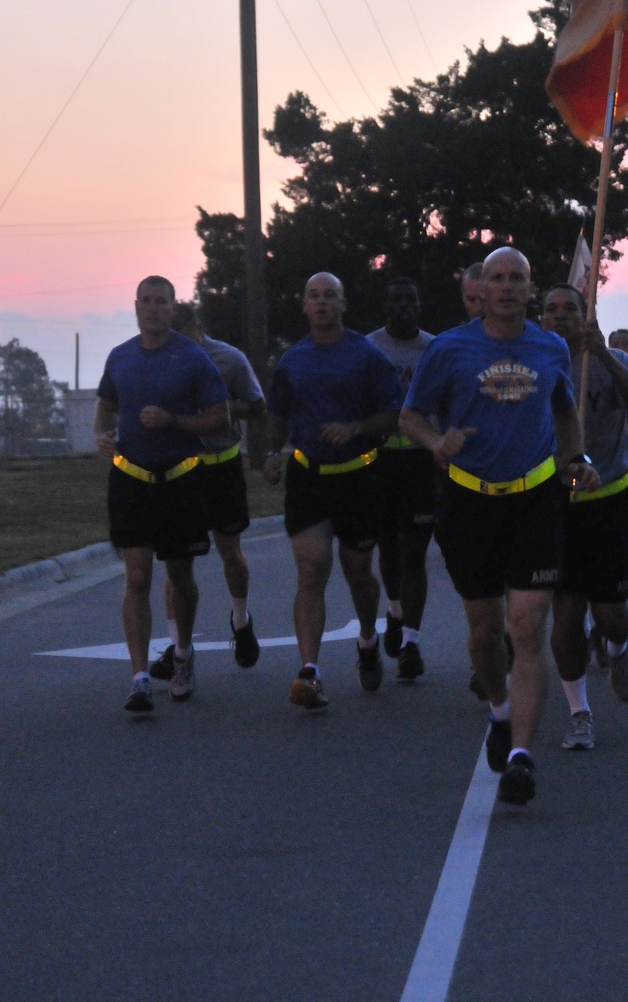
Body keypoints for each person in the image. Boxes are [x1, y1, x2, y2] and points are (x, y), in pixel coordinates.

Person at [399, 246, 598, 806]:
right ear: (480, 289)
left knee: (526, 628)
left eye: (517, 278)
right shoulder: (450, 349)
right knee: (486, 634)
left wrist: (574, 458)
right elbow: (409, 416)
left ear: (529, 288)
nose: (507, 287)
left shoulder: (550, 346)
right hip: (468, 501)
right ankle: (500, 711)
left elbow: (564, 409)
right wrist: (436, 441)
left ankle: (521, 759)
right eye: (497, 279)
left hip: (534, 497)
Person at [264, 273, 402, 708]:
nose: (321, 303)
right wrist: (271, 452)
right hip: (308, 474)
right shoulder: (292, 360)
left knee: (358, 572)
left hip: (359, 474)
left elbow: (393, 414)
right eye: (314, 297)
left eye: (330, 297)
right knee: (311, 570)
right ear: (304, 306)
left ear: (343, 305)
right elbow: (279, 414)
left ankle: (366, 638)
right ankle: (310, 672)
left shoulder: (366, 355)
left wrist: (355, 427)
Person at [94, 276, 230, 712]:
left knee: (180, 577)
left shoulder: (192, 358)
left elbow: (220, 420)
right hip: (131, 479)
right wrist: (102, 435)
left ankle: (183, 654)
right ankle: (138, 678)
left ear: (173, 308)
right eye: (146, 302)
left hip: (181, 478)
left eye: (161, 302)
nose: (152, 309)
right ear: (135, 307)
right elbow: (105, 405)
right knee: (137, 577)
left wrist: (173, 421)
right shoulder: (120, 357)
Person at [539, 284, 628, 748]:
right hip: (553, 505)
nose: (561, 316)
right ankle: (579, 712)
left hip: (610, 499)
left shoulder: (613, 362)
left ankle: (618, 647)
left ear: (586, 315)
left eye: (571, 308)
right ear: (541, 318)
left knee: (610, 614)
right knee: (565, 613)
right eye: (551, 309)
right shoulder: (534, 364)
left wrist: (605, 356)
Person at [149, 302, 265, 680]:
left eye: (188, 335)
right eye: (174, 338)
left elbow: (258, 405)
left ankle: (241, 620)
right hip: (181, 471)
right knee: (176, 562)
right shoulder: (163, 362)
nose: (183, 344)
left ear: (200, 327)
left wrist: (224, 407)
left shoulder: (228, 359)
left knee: (230, 550)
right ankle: (176, 645)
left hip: (221, 466)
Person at [367, 278, 437, 680]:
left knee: (414, 552)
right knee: (389, 550)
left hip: (421, 459)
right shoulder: (370, 346)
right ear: (386, 304)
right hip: (379, 459)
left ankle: (410, 640)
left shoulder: (433, 348)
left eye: (411, 299)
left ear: (420, 305)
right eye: (396, 299)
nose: (404, 306)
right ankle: (395, 610)